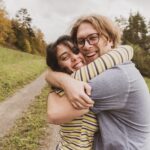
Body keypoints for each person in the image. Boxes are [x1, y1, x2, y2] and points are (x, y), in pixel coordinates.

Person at [46, 14, 150, 149]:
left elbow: (54, 113)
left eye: (93, 38)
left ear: (111, 40)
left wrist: (60, 80)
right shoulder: (108, 68)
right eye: (81, 41)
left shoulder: (115, 77)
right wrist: (62, 79)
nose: (87, 46)